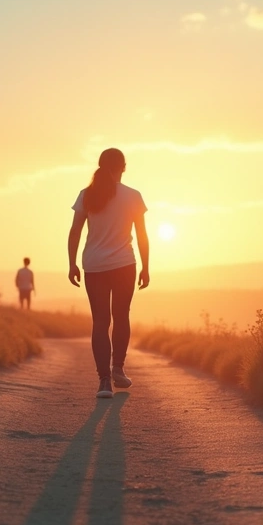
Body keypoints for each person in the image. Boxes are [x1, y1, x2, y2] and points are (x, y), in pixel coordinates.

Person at [68, 148, 149, 399]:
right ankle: (118, 370)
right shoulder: (133, 196)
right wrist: (146, 266)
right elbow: (143, 235)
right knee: (121, 316)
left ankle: (104, 381)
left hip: (94, 265)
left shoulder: (86, 195)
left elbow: (75, 232)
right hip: (125, 264)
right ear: (123, 167)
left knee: (101, 322)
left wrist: (72, 264)